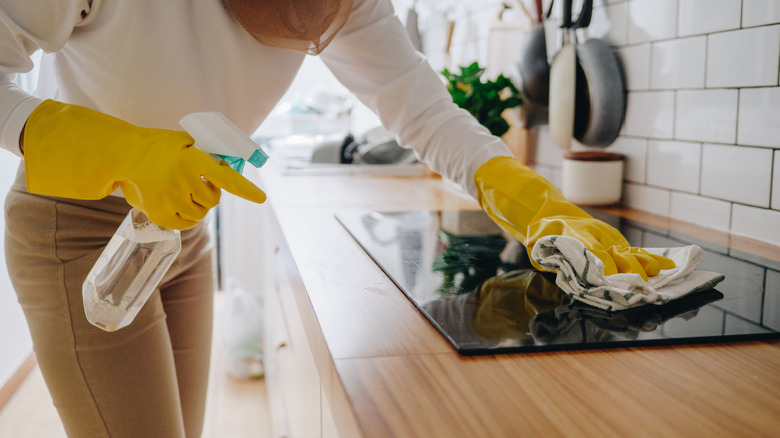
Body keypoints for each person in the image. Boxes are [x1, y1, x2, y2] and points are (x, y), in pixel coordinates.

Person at [0, 0, 673, 436]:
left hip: (178, 229)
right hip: (76, 231)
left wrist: (534, 201)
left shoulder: (344, 6)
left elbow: (427, 113)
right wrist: (110, 147)